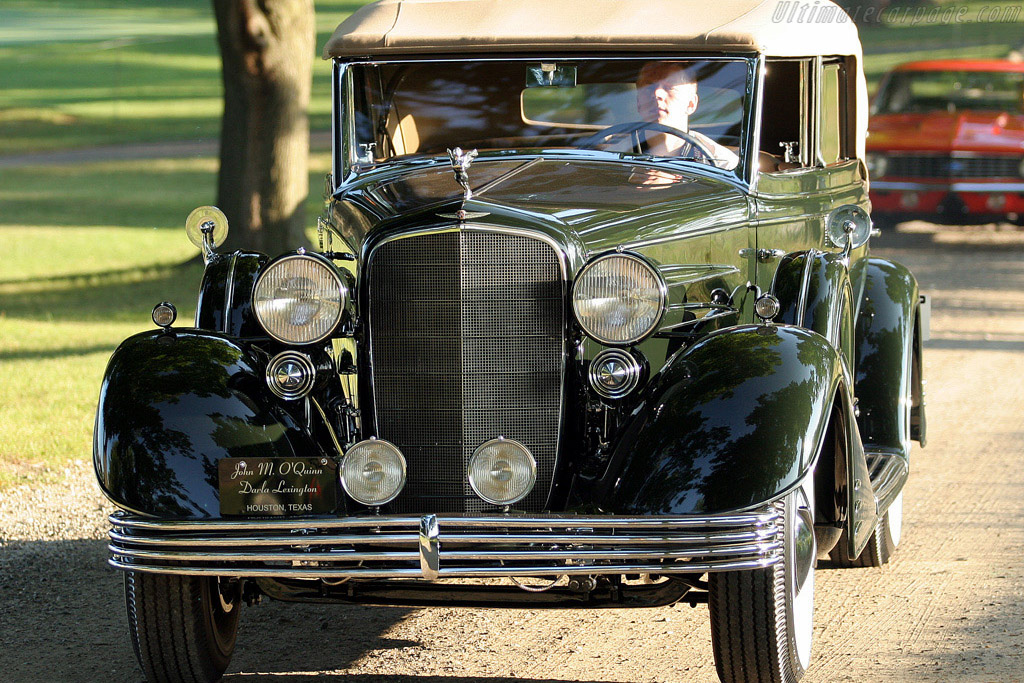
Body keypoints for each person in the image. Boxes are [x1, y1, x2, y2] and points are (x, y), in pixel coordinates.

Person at [635, 62, 739, 170]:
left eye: (669, 88)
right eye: (649, 88)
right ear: (638, 102)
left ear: (691, 104)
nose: (657, 94)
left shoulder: (721, 163)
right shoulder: (619, 154)